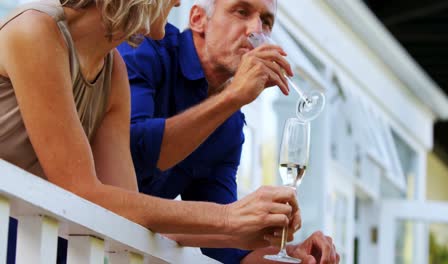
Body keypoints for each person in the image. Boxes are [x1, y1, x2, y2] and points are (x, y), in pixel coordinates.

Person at [0, 0, 302, 261]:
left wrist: (248, 232)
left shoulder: (112, 69)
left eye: (265, 20)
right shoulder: (36, 31)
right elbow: (81, 191)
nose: (177, 5)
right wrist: (226, 219)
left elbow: (126, 209)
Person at [118, 0, 340, 263]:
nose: (256, 30)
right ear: (198, 19)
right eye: (241, 12)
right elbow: (134, 153)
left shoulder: (230, 124)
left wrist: (292, 255)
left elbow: (226, 248)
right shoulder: (145, 48)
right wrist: (233, 96)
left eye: (266, 22)